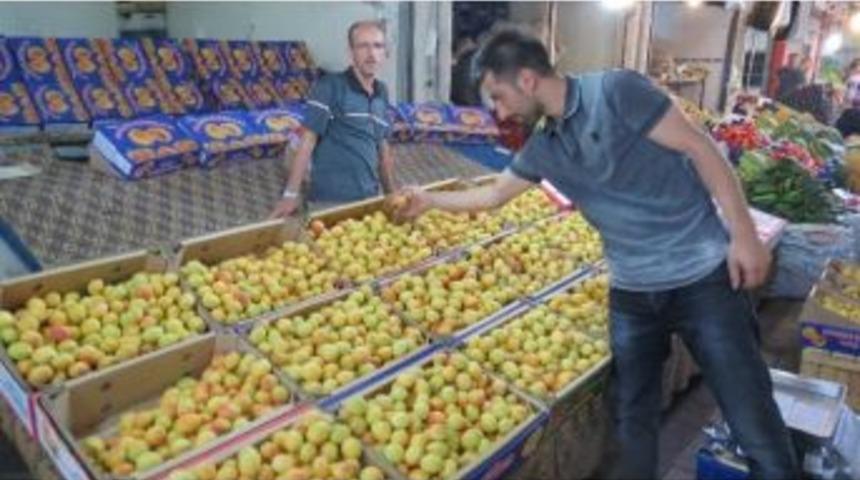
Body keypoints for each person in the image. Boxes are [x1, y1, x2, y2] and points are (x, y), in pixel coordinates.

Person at [393, 29, 799, 480]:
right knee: (632, 418)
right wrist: (429, 201)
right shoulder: (544, 146)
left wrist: (744, 234)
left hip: (700, 276)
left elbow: (700, 147)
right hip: (631, 290)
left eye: (499, 97)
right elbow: (492, 194)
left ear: (527, 80)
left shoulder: (616, 91)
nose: (498, 111)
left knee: (749, 409)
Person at [270, 20, 396, 218]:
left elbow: (382, 149)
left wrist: (391, 195)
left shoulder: (382, 92)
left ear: (385, 53)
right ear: (350, 52)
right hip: (330, 202)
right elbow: (307, 140)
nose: (371, 54)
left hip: (369, 199)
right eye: (363, 46)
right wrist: (290, 194)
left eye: (378, 46)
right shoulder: (330, 86)